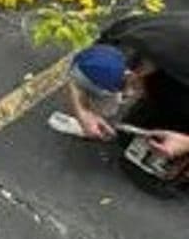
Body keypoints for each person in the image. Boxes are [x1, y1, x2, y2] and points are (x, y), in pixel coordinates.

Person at [55, 12, 189, 165]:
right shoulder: (119, 34)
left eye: (124, 92)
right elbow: (77, 75)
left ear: (133, 74)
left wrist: (186, 143)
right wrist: (83, 112)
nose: (126, 97)